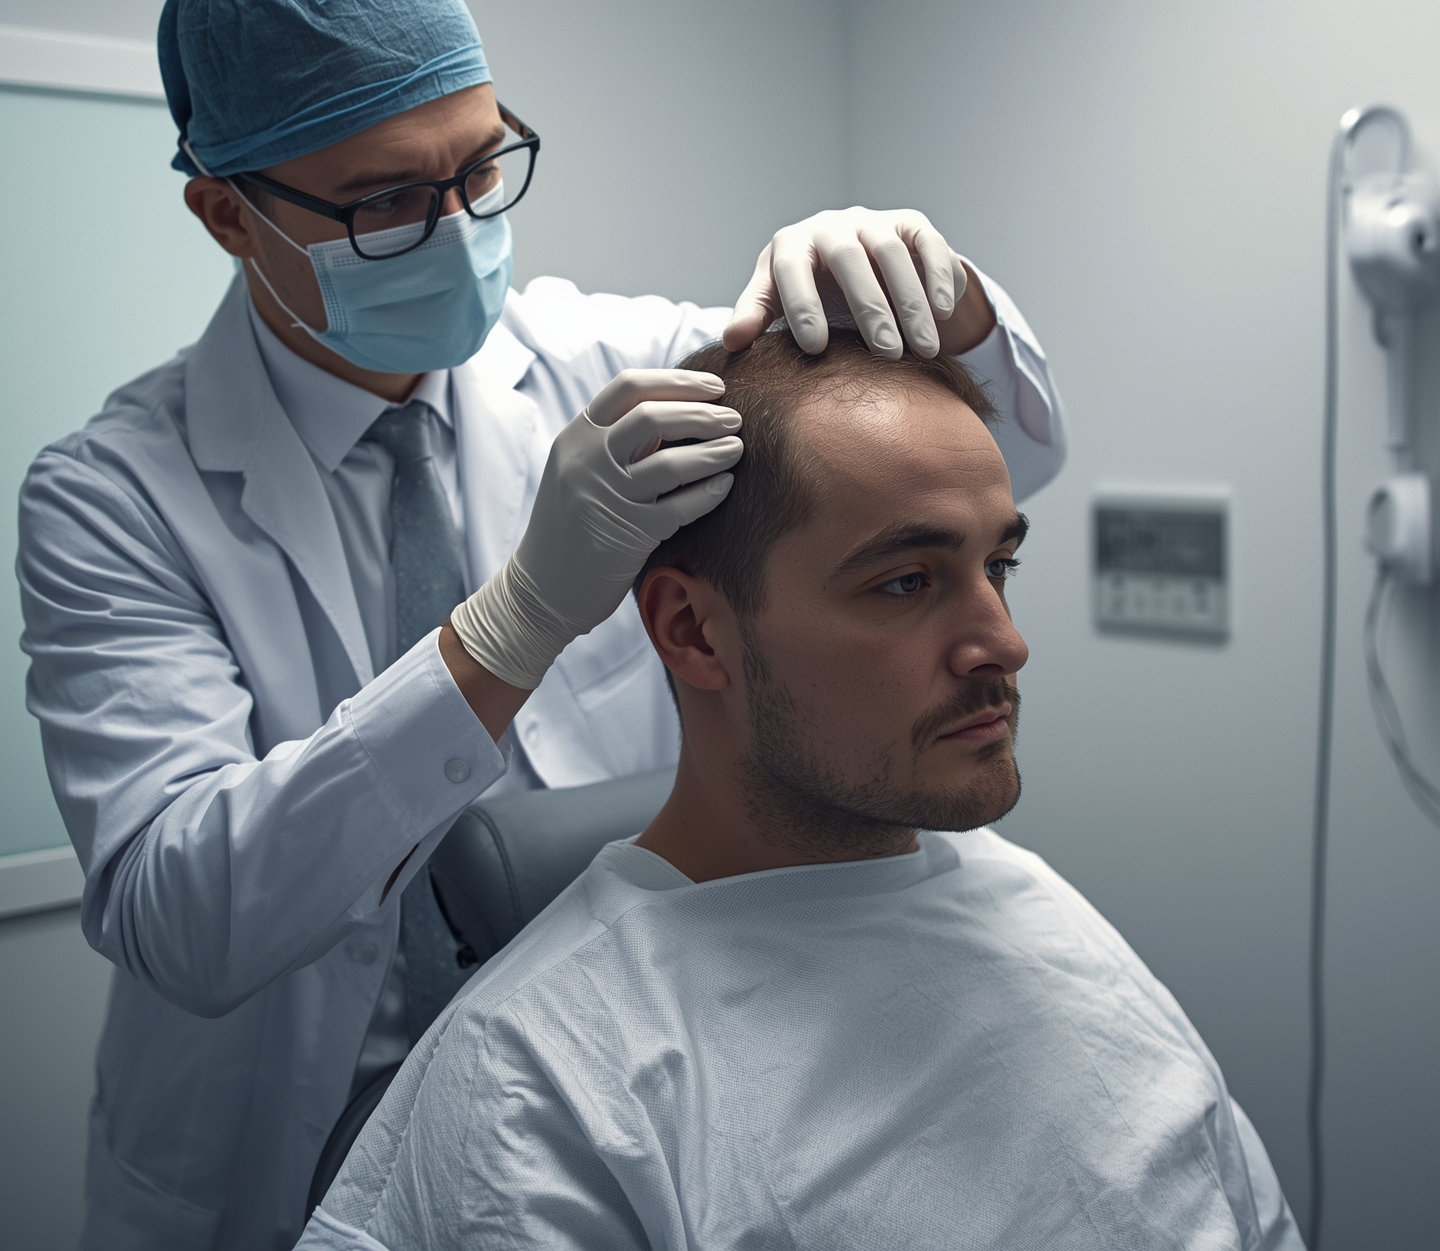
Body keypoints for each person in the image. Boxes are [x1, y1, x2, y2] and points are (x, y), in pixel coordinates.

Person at [15, 0, 1067, 1250]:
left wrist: (949, 306)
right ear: (228, 213)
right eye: (387, 200)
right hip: (270, 1153)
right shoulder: (112, 496)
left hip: (605, 1085)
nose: (458, 230)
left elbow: (993, 466)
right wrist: (511, 628)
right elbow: (185, 916)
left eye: (481, 167)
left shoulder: (608, 363)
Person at [301, 329, 1303, 1251]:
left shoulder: (1030, 904)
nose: (1004, 641)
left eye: (1000, 564)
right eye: (905, 582)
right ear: (694, 631)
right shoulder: (541, 1083)